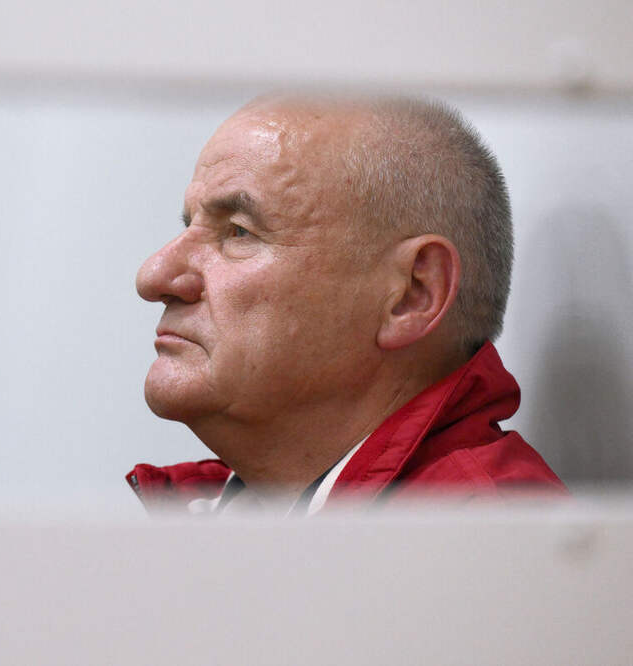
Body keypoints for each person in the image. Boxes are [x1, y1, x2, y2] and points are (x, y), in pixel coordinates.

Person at [127, 94, 566, 516]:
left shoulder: (492, 542)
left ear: (411, 294)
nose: (154, 276)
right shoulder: (208, 518)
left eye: (239, 232)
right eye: (190, 224)